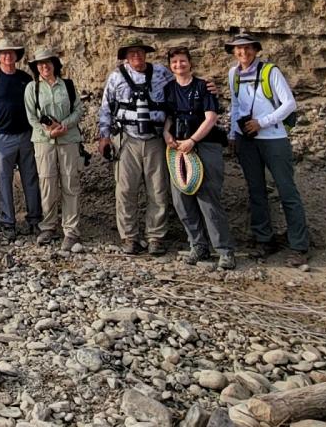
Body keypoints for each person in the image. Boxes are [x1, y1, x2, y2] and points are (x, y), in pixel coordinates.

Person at [226, 32, 310, 260]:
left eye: (248, 48)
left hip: (273, 138)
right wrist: (233, 134)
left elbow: (289, 103)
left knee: (287, 190)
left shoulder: (270, 72)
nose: (243, 52)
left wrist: (262, 123)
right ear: (234, 52)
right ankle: (264, 240)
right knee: (256, 191)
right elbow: (235, 105)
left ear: (255, 49)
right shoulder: (233, 74)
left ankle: (299, 245)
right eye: (238, 48)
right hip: (247, 141)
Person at [97, 38, 173, 255]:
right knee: (125, 190)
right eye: (132, 53)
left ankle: (155, 237)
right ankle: (129, 236)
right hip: (126, 139)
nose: (136, 57)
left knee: (158, 189)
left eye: (139, 52)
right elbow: (106, 107)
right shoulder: (116, 77)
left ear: (145, 53)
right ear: (126, 56)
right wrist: (104, 137)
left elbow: (180, 90)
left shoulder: (162, 73)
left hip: (156, 138)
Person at [163, 47, 236, 270]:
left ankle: (224, 251)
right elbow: (168, 116)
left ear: (190, 63)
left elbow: (211, 117)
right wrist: (167, 133)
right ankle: (198, 245)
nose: (178, 65)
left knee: (208, 199)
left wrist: (193, 140)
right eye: (174, 62)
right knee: (181, 200)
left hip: (204, 145)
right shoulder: (169, 88)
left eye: (182, 61)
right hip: (178, 148)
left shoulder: (203, 87)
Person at [0, 38, 42, 241]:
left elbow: (35, 106)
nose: (7, 56)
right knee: (4, 180)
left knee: (30, 179)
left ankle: (35, 220)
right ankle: (8, 223)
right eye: (3, 53)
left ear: (16, 56)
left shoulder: (26, 78)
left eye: (11, 52)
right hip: (3, 137)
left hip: (26, 135)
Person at [24, 46, 84, 250]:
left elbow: (79, 110)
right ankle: (48, 227)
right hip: (44, 143)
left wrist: (64, 125)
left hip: (68, 140)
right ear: (36, 67)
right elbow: (32, 118)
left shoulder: (67, 85)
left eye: (47, 62)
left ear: (55, 65)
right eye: (40, 64)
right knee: (47, 185)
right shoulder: (32, 88)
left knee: (70, 184)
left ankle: (71, 231)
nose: (44, 66)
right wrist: (49, 133)